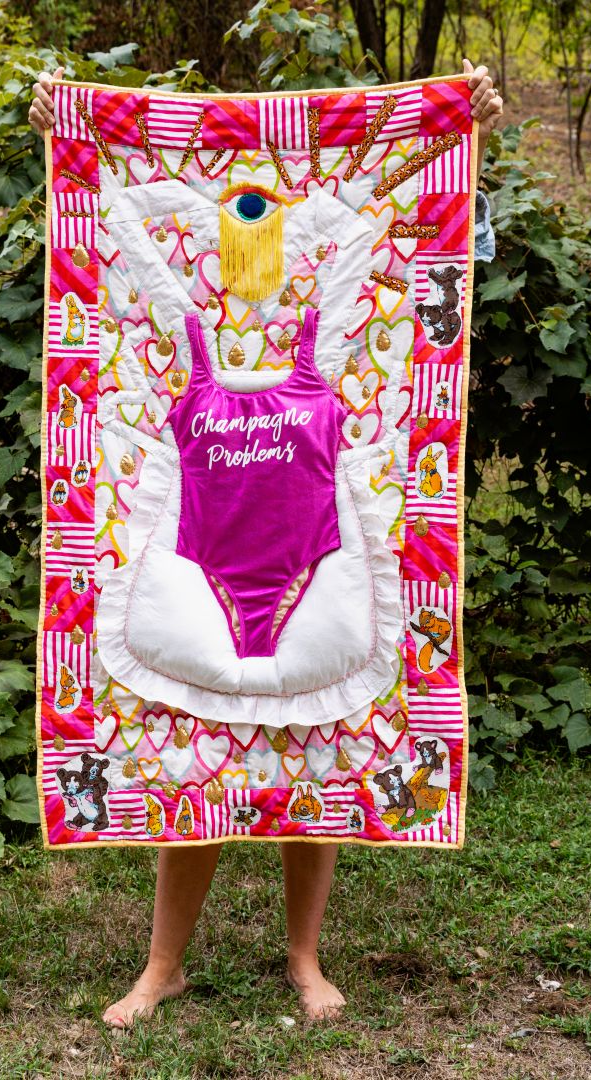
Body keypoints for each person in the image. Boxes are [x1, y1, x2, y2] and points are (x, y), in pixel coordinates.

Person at [29, 60, 503, 1027]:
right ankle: (162, 966)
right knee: (193, 761)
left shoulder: (324, 357)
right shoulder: (188, 356)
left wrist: (459, 133)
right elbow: (134, 260)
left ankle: (303, 957)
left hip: (312, 576)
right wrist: (71, 134)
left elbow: (392, 236)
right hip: (199, 577)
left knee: (313, 762)